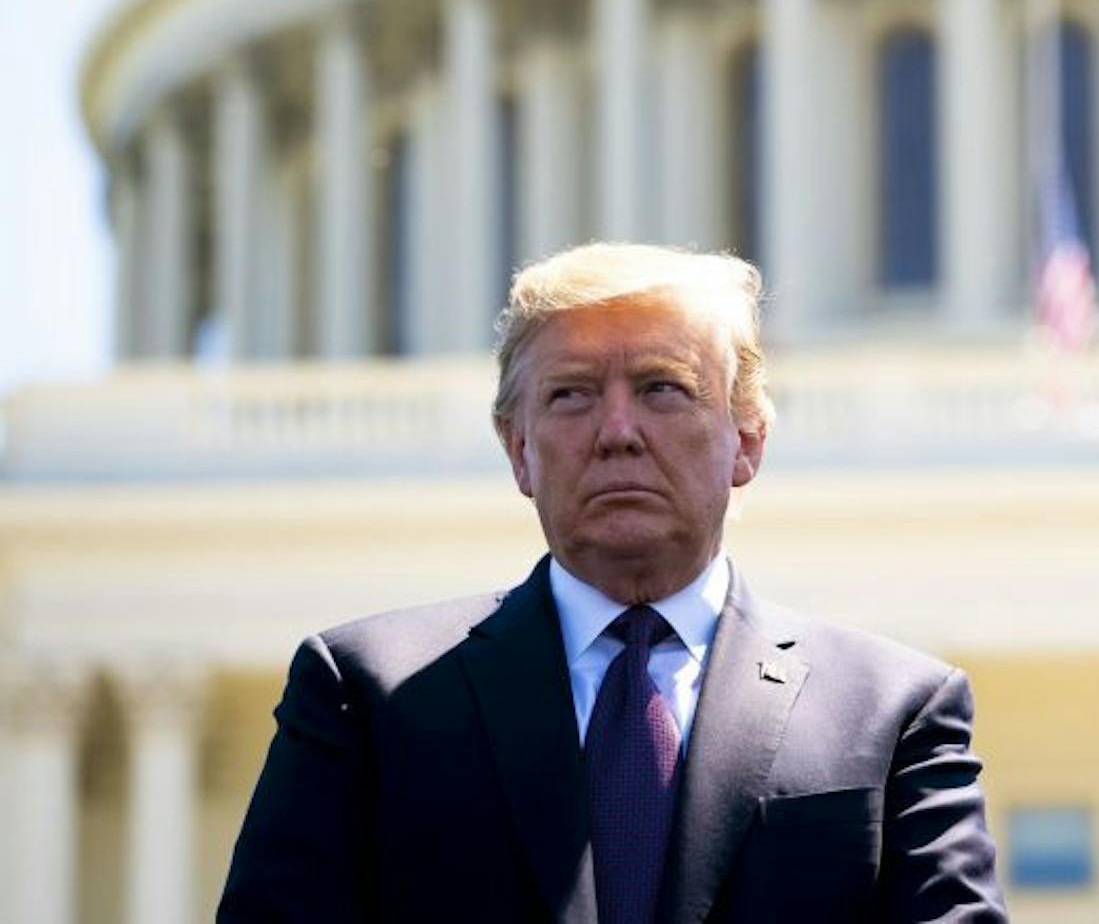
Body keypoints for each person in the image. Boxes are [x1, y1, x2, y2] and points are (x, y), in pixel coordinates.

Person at [221, 243, 1005, 923]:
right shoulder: (368, 697)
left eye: (663, 387)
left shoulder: (892, 711)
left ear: (748, 440)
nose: (618, 430)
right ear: (518, 448)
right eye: (572, 393)